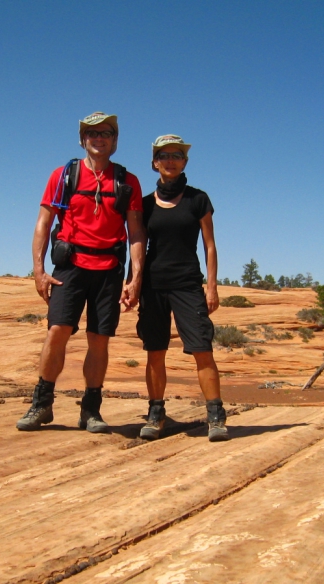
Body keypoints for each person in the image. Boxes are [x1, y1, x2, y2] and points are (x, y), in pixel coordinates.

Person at [17, 112, 146, 433]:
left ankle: (91, 410)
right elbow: (43, 224)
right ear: (82, 140)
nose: (98, 138)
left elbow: (136, 233)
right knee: (57, 332)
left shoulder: (127, 181)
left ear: (115, 140)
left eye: (105, 133)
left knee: (99, 340)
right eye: (91, 133)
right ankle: (42, 403)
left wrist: (135, 278)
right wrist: (38, 269)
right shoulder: (63, 176)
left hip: (108, 272)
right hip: (70, 267)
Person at [136, 135, 228, 442]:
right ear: (155, 163)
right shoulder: (145, 205)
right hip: (153, 284)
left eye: (177, 155)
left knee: (202, 348)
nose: (171, 160)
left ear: (185, 162)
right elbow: (137, 246)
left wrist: (211, 286)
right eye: (164, 155)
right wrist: (133, 283)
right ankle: (156, 413)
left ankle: (215, 416)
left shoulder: (198, 199)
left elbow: (210, 245)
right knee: (155, 351)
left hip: (188, 284)